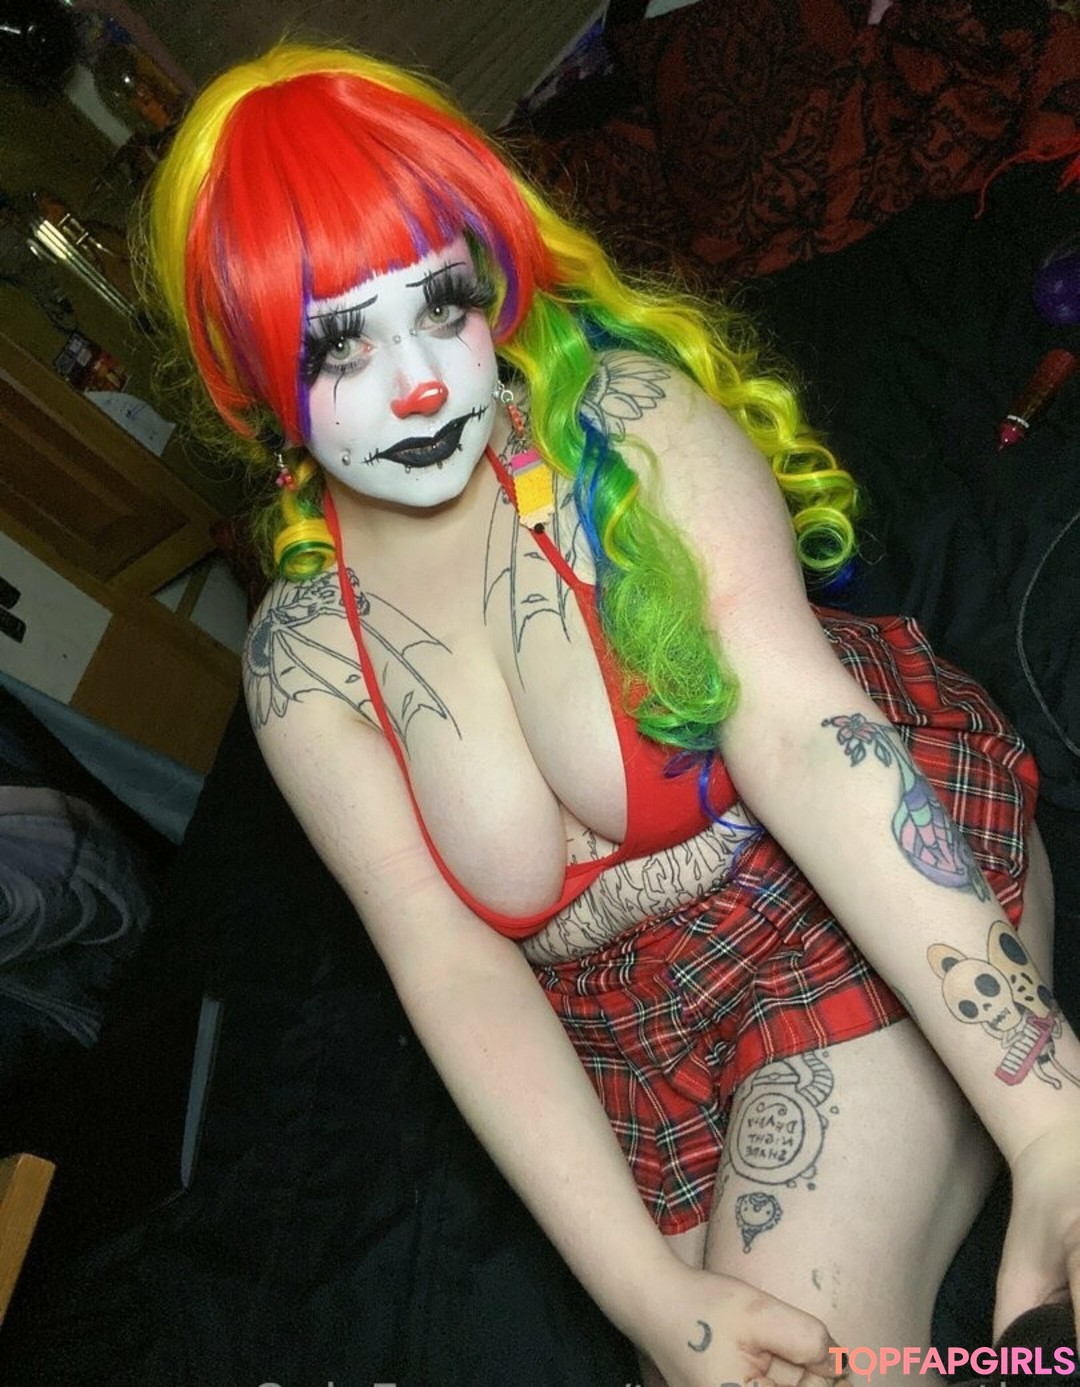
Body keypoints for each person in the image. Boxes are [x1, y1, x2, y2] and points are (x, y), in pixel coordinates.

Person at [141, 42, 1080, 1387]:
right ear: (252, 384)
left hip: (823, 895)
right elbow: (453, 969)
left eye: (441, 305)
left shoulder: (623, 433)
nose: (419, 383)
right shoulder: (304, 664)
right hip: (632, 1040)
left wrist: (1050, 1118)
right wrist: (650, 1299)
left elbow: (806, 738)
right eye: (339, 342)